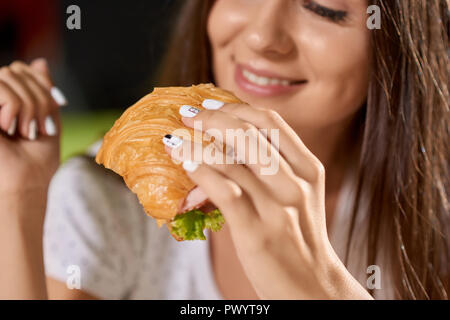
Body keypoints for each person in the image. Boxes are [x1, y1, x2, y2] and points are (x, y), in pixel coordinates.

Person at [0, 0, 448, 300]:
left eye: (324, 9)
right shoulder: (106, 199)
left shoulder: (436, 215)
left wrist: (315, 284)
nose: (262, 38)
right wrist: (19, 199)